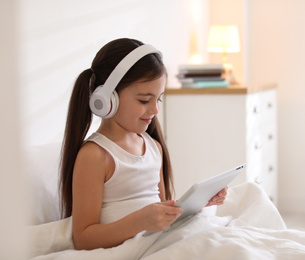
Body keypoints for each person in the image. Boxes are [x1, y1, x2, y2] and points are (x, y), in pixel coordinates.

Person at [59, 38, 228, 250]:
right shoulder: (95, 155)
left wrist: (199, 203)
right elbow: (83, 239)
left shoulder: (153, 147)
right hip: (135, 248)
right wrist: (139, 221)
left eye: (158, 99)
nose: (155, 110)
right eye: (144, 100)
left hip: (159, 241)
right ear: (107, 99)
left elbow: (163, 212)